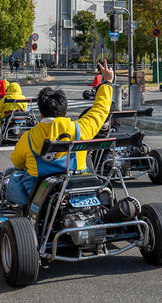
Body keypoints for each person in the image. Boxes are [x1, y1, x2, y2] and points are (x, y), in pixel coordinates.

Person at [6, 60, 115, 205]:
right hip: (76, 186)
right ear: (64, 110)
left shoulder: (29, 137)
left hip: (39, 195)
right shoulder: (81, 128)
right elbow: (100, 109)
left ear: (41, 112)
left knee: (13, 179)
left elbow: (17, 161)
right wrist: (107, 82)